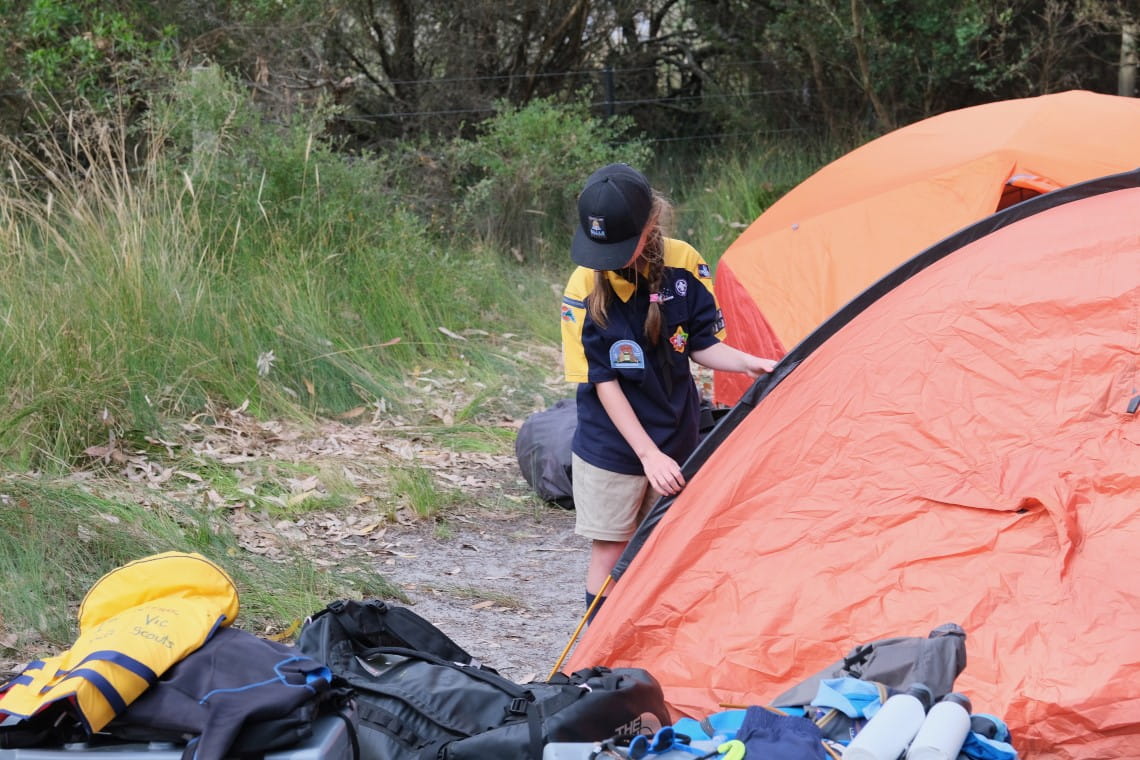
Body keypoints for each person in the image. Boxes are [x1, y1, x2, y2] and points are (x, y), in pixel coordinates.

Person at [560, 163, 777, 619]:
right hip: (612, 446)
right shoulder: (584, 284)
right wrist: (646, 456)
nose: (607, 259)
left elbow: (700, 345)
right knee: (612, 550)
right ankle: (594, 657)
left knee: (661, 550)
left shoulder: (683, 264)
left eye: (621, 246)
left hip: (675, 436)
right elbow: (602, 381)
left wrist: (747, 362)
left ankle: (646, 647)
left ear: (650, 226)